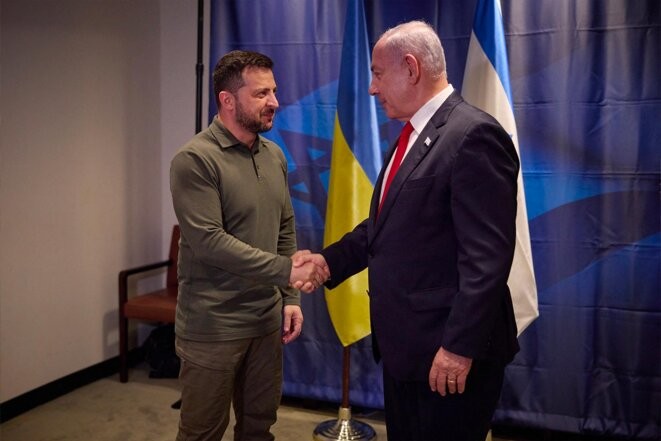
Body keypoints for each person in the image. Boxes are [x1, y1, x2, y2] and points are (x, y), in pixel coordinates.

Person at [295, 21, 520, 440]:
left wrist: (458, 348)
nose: (372, 89)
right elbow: (385, 227)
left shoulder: (473, 135)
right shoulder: (414, 136)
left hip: (447, 356)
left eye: (378, 74)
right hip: (409, 352)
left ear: (411, 68)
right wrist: (328, 262)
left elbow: (487, 261)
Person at [170, 50, 327, 441]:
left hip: (265, 322)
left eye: (273, 91)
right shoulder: (194, 160)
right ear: (227, 100)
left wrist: (290, 297)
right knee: (202, 432)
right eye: (261, 94)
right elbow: (210, 242)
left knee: (259, 428)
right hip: (212, 327)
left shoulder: (273, 155)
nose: (275, 102)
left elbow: (285, 227)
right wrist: (287, 271)